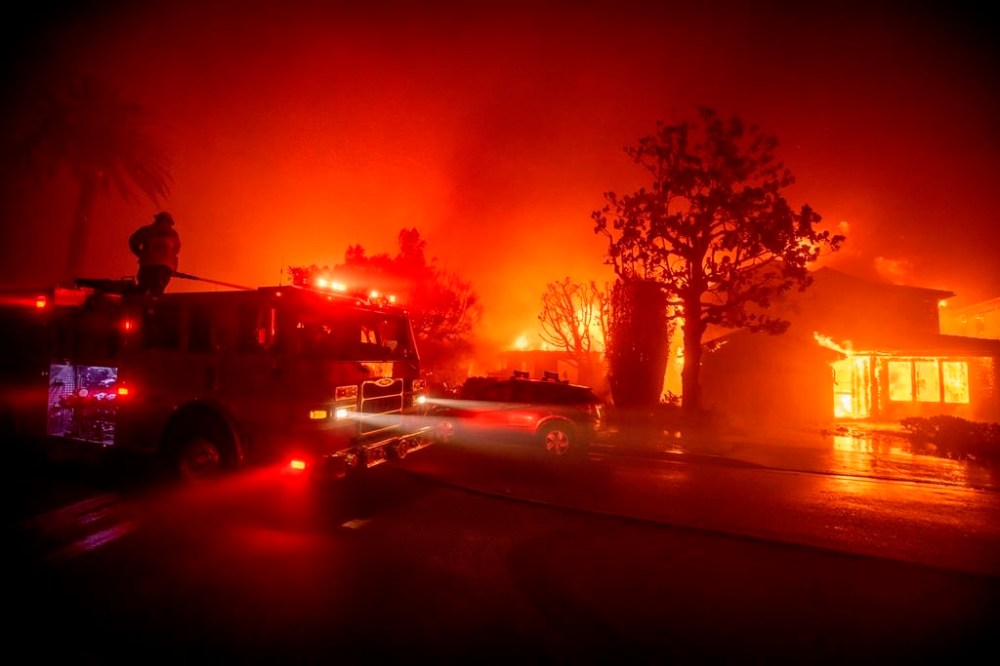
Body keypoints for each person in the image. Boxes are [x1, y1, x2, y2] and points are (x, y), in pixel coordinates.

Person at [129, 211, 181, 296]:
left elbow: (133, 241)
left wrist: (139, 253)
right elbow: (176, 250)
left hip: (148, 265)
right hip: (164, 267)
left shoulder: (146, 230)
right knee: (157, 290)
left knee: (143, 287)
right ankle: (154, 302)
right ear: (167, 221)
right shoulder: (173, 234)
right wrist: (172, 268)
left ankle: (139, 302)